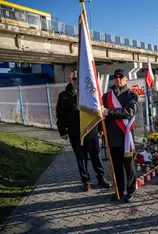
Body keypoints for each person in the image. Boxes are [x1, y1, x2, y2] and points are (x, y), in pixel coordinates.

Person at [56, 71, 111, 192]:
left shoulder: (90, 93)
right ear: (71, 79)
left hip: (91, 130)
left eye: (78, 79)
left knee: (96, 155)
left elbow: (98, 112)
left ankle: (101, 178)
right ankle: (85, 181)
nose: (76, 81)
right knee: (81, 158)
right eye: (74, 79)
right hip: (75, 132)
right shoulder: (64, 96)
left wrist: (101, 128)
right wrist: (62, 131)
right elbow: (60, 116)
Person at [102, 69, 138, 203]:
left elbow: (129, 111)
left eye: (120, 77)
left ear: (126, 79)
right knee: (116, 167)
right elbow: (101, 115)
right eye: (115, 77)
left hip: (126, 139)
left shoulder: (131, 95)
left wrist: (108, 111)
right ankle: (119, 190)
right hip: (112, 138)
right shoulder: (106, 96)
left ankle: (131, 191)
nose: (117, 79)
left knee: (129, 168)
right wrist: (100, 128)